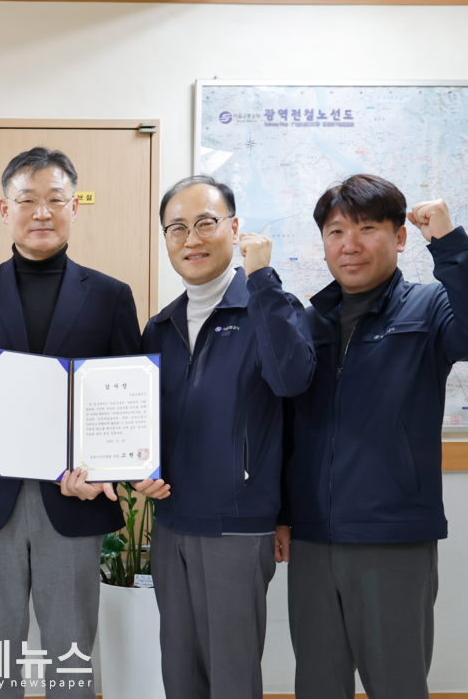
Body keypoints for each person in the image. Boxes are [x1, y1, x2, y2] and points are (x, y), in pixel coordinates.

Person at [280, 175, 468, 699]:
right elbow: (290, 428)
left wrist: (448, 243)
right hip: (313, 539)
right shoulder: (309, 322)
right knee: (316, 685)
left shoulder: (428, 308)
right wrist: (285, 513)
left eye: (366, 229)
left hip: (392, 537)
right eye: (336, 231)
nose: (349, 244)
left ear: (400, 237)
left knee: (397, 685)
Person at [0, 147, 140, 698]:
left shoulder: (110, 296)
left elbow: (127, 404)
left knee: (71, 655)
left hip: (73, 495)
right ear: (5, 209)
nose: (42, 212)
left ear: (74, 207)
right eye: (27, 200)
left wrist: (104, 472)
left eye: (55, 199)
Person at [134, 176, 315, 699]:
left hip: (237, 526)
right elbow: (144, 420)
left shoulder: (271, 307)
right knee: (180, 675)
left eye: (205, 223)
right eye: (177, 228)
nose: (191, 239)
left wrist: (262, 280)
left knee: (231, 679)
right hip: (171, 524)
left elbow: (291, 381)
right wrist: (139, 471)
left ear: (234, 229)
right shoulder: (161, 327)